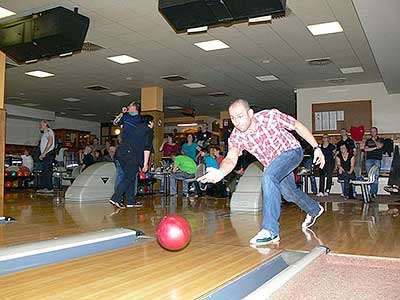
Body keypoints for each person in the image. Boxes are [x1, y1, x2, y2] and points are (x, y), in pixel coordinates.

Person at [198, 99, 325, 245]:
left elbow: (297, 126)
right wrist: (220, 173)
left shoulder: (269, 116)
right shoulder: (236, 136)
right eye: (233, 118)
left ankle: (270, 230)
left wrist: (316, 147)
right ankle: (314, 209)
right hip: (274, 163)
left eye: (240, 116)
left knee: (268, 176)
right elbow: (231, 158)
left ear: (250, 113)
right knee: (289, 194)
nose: (237, 122)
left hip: (292, 152)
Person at [110, 102, 153, 208]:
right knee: (129, 177)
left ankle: (130, 201)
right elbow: (147, 148)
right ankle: (115, 198)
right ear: (150, 122)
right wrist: (145, 164)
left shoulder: (137, 128)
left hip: (121, 152)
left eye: (130, 105)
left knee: (131, 176)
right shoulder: (148, 130)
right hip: (130, 154)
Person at [37, 120, 55, 193]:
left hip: (48, 154)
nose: (39, 126)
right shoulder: (46, 132)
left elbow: (50, 142)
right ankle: (45, 187)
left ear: (45, 124)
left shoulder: (48, 131)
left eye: (41, 124)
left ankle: (49, 188)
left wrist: (44, 153)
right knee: (45, 171)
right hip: (48, 154)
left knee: (47, 171)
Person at [364, 127, 384, 198]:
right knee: (370, 176)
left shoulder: (381, 139)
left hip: (377, 160)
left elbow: (380, 146)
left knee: (376, 176)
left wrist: (375, 141)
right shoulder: (368, 140)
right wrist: (375, 148)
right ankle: (371, 192)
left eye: (374, 131)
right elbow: (366, 149)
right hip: (369, 159)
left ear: (377, 132)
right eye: (371, 131)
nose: (373, 133)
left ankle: (373, 192)